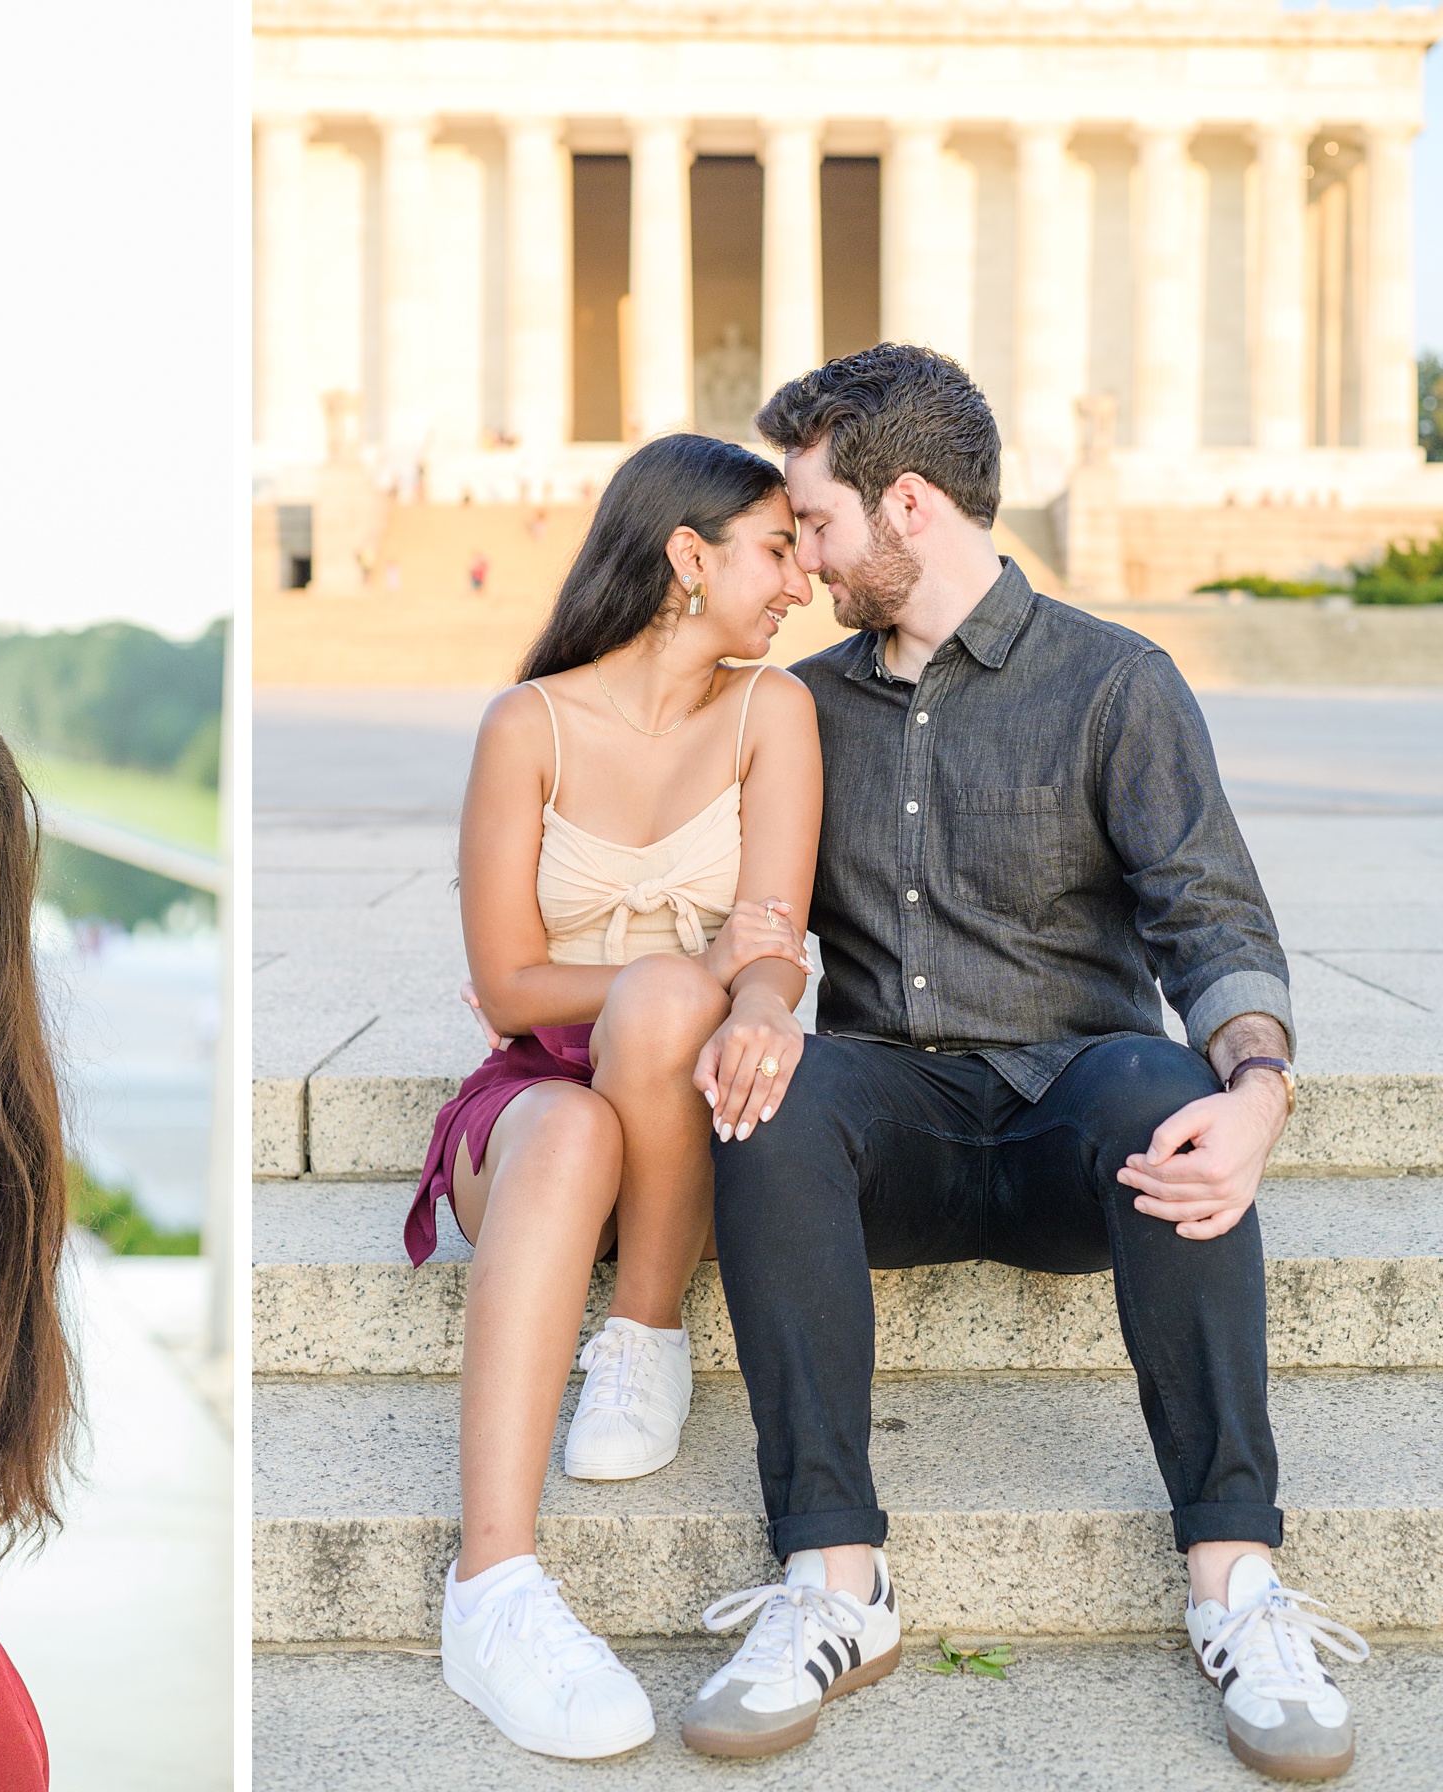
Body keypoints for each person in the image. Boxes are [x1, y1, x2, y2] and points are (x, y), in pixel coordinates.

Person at [678, 343, 1368, 1780]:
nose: (799, 556)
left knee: (1176, 1100)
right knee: (774, 1099)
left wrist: (1260, 1093)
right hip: (892, 1120)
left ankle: (1237, 1584)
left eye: (814, 520)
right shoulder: (800, 708)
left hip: (1079, 1117)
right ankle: (835, 1586)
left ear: (909, 505)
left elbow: (1211, 914)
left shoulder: (1119, 684)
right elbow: (744, 916)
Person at [406, 433, 823, 1759]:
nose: (798, 585)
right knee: (576, 1112)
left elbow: (774, 948)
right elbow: (509, 987)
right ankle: (492, 1582)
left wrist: (749, 997)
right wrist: (703, 957)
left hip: (689, 1090)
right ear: (687, 557)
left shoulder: (779, 715)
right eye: (775, 550)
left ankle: (643, 1334)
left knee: (654, 1008)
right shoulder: (528, 724)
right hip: (536, 1101)